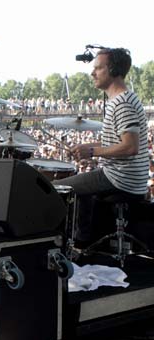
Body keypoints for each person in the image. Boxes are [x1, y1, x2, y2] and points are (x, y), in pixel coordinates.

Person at [53, 48, 149, 244]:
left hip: (122, 180)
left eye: (98, 68)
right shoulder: (122, 99)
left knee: (57, 188)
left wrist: (92, 151)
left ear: (113, 70)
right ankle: (84, 240)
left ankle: (71, 243)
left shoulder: (122, 103)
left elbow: (130, 147)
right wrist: (89, 146)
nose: (92, 73)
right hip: (126, 177)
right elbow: (116, 143)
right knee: (80, 186)